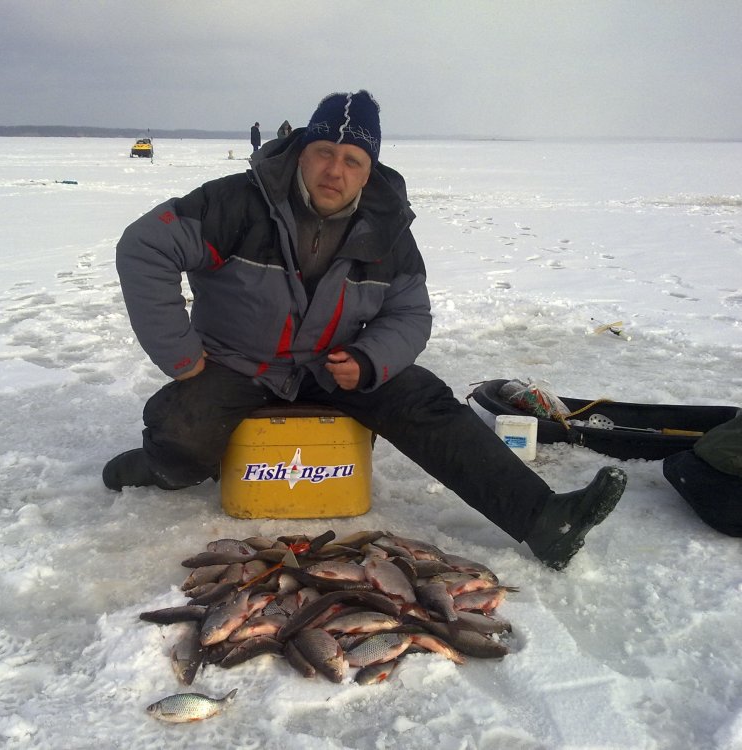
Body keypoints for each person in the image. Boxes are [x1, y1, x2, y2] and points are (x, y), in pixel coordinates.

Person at [104, 90, 627, 570]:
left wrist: (370, 359)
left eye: (352, 160)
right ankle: (160, 467)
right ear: (301, 151)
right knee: (185, 433)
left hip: (331, 366)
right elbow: (145, 246)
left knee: (423, 398)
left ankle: (543, 519)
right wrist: (181, 355)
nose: (335, 170)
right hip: (236, 363)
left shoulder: (388, 229)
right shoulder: (234, 202)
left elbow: (410, 314)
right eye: (324, 152)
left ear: (368, 170)